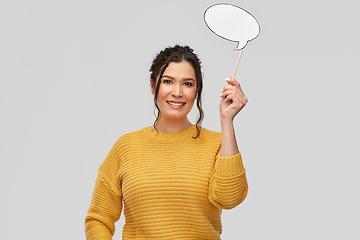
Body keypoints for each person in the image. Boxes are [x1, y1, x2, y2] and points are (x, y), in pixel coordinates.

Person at [85, 45, 248, 240]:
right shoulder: (126, 146)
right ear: (153, 86)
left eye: (187, 84)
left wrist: (227, 120)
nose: (177, 92)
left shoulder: (217, 144)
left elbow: (229, 199)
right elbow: (98, 219)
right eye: (168, 81)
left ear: (197, 91)